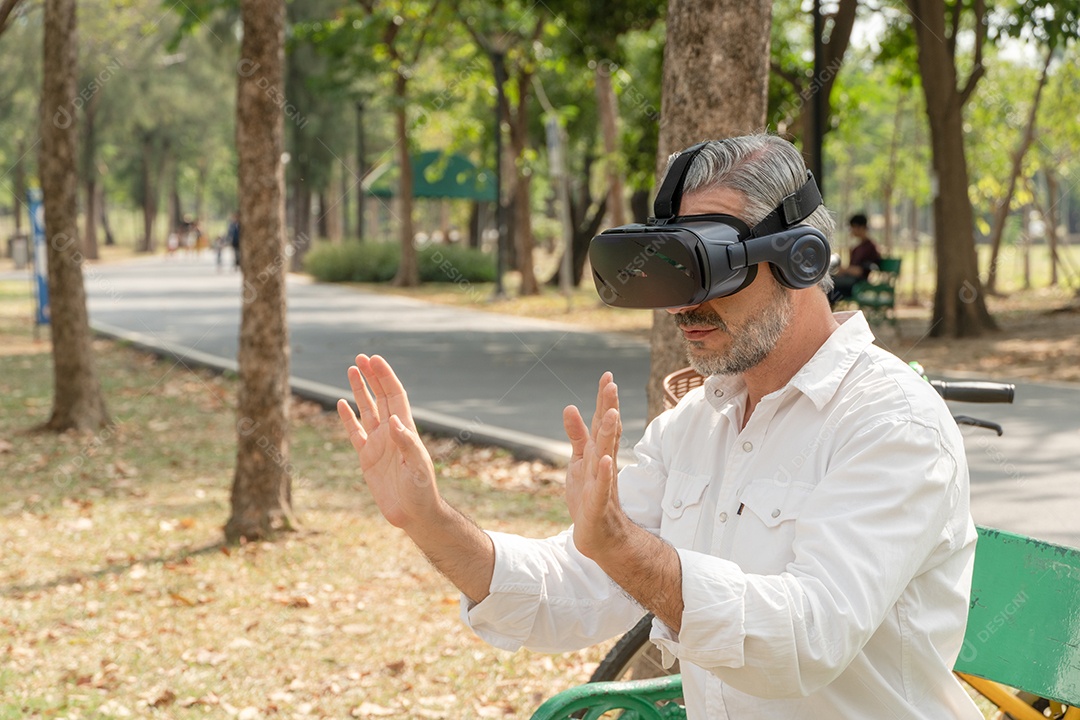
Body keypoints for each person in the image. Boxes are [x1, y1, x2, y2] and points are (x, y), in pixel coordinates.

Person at [336, 134, 982, 719]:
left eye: (709, 267)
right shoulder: (696, 424)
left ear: (800, 260)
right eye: (668, 268)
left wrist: (622, 548)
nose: (680, 304)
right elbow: (567, 592)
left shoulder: (890, 422)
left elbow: (806, 642)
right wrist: (429, 518)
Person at [829, 212, 882, 305]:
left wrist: (844, 270)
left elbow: (862, 271)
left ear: (860, 227)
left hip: (858, 284)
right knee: (828, 284)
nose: (851, 231)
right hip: (850, 281)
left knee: (829, 287)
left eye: (853, 227)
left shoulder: (870, 248)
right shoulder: (857, 248)